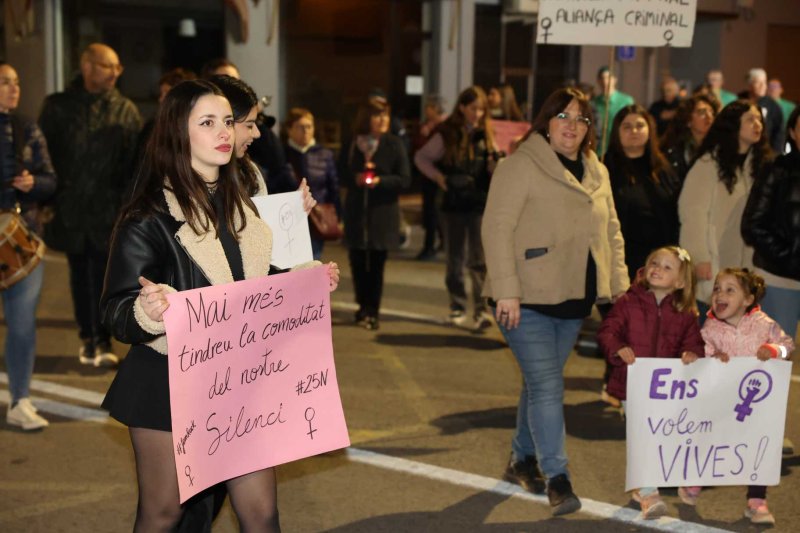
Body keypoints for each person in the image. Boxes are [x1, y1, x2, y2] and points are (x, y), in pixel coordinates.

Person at [99, 79, 340, 532]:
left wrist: (305, 281)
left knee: (261, 513)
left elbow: (254, 289)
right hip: (167, 385)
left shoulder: (241, 207)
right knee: (163, 513)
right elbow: (115, 310)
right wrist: (146, 310)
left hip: (237, 382)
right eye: (207, 123)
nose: (224, 132)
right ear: (178, 132)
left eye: (227, 121)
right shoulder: (147, 217)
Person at [482, 87, 629, 516]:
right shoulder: (520, 165)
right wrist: (506, 288)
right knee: (548, 385)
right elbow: (496, 228)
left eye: (581, 118)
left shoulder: (596, 169)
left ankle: (522, 458)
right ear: (546, 121)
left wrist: (619, 287)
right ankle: (558, 478)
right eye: (563, 116)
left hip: (573, 298)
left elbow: (612, 231)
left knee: (538, 383)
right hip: (524, 298)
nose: (572, 125)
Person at [38, 42, 142, 367]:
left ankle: (104, 339)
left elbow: (134, 165)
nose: (115, 72)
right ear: (87, 67)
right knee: (79, 274)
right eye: (108, 66)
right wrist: (46, 200)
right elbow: (45, 158)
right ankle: (88, 337)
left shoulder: (126, 110)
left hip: (110, 210)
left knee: (106, 276)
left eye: (118, 67)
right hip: (70, 208)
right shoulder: (58, 107)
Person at [597, 246, 704, 518]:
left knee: (661, 435)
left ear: (680, 282)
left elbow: (694, 343)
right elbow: (608, 331)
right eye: (655, 263)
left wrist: (691, 354)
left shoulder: (685, 313)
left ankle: (646, 484)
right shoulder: (628, 302)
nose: (657, 269)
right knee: (642, 434)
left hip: (666, 390)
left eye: (667, 267)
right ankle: (648, 491)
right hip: (632, 384)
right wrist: (618, 348)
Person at [683, 268, 794, 525]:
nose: (720, 294)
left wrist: (773, 350)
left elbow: (788, 346)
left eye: (729, 290)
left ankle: (757, 501)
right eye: (717, 289)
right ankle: (695, 481)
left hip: (756, 404)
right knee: (713, 442)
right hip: (721, 401)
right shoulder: (710, 328)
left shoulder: (764, 324)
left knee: (759, 447)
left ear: (747, 300)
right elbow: (700, 353)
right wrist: (712, 357)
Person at [0, 62, 56, 430]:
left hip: (22, 238)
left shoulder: (26, 127)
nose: (14, 88)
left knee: (22, 326)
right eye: (5, 82)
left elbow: (51, 180)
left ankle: (20, 400)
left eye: (17, 82)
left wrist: (33, 183)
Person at [678, 100, 773, 317]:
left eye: (759, 119)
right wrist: (699, 256)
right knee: (709, 323)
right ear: (734, 125)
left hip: (746, 264)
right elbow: (692, 213)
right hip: (714, 260)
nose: (757, 124)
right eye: (750, 119)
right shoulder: (708, 164)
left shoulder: (759, 166)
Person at [415, 87, 498, 329]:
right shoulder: (447, 133)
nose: (478, 114)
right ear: (462, 107)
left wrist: (494, 164)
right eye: (473, 108)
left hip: (479, 202)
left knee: (479, 259)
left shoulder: (487, 133)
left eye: (481, 109)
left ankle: (481, 311)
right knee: (455, 258)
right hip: (452, 203)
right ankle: (457, 305)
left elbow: (494, 167)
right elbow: (421, 157)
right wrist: (439, 178)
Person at [340, 97, 410, 330]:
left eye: (385, 115)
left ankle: (373, 311)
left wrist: (381, 181)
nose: (383, 120)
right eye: (378, 115)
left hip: (382, 214)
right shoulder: (353, 143)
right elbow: (341, 173)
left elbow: (405, 179)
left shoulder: (394, 144)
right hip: (357, 213)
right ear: (366, 118)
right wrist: (356, 178)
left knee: (377, 265)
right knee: (358, 263)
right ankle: (362, 306)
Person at [742, 106, 800, 342]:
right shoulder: (776, 169)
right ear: (793, 133)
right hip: (779, 278)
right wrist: (789, 257)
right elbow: (752, 225)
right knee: (775, 356)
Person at [604, 104, 680, 281]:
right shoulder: (605, 169)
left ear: (649, 130)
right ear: (617, 132)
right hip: (621, 261)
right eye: (627, 127)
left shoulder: (663, 169)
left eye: (640, 126)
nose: (634, 131)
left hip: (661, 261)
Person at [202, 58, 296, 194]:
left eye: (237, 81)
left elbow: (277, 160)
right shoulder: (183, 180)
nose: (256, 133)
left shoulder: (249, 172)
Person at [283, 107, 340, 260]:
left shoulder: (324, 154)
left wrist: (336, 216)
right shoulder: (281, 154)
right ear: (289, 130)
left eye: (309, 126)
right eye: (300, 127)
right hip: (288, 221)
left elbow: (333, 187)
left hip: (316, 220)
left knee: (313, 261)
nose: (306, 131)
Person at [414, 94, 447, 261]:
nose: (427, 111)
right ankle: (438, 242)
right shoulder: (425, 126)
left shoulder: (443, 128)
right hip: (427, 173)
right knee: (430, 210)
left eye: (430, 107)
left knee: (433, 211)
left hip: (438, 173)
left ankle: (431, 246)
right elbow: (418, 149)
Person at [660, 93, 720, 183]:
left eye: (712, 112)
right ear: (688, 120)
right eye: (702, 112)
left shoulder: (720, 147)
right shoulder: (674, 150)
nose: (709, 117)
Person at [591, 66, 635, 157]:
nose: (605, 81)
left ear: (615, 80)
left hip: (619, 148)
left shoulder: (626, 101)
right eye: (602, 78)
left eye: (608, 77)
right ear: (598, 81)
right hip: (599, 149)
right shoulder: (594, 102)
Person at [742, 68, 784, 153]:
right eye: (758, 82)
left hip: (765, 150)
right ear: (749, 85)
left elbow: (779, 132)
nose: (762, 86)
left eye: (764, 82)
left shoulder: (773, 106)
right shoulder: (739, 101)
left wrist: (775, 153)